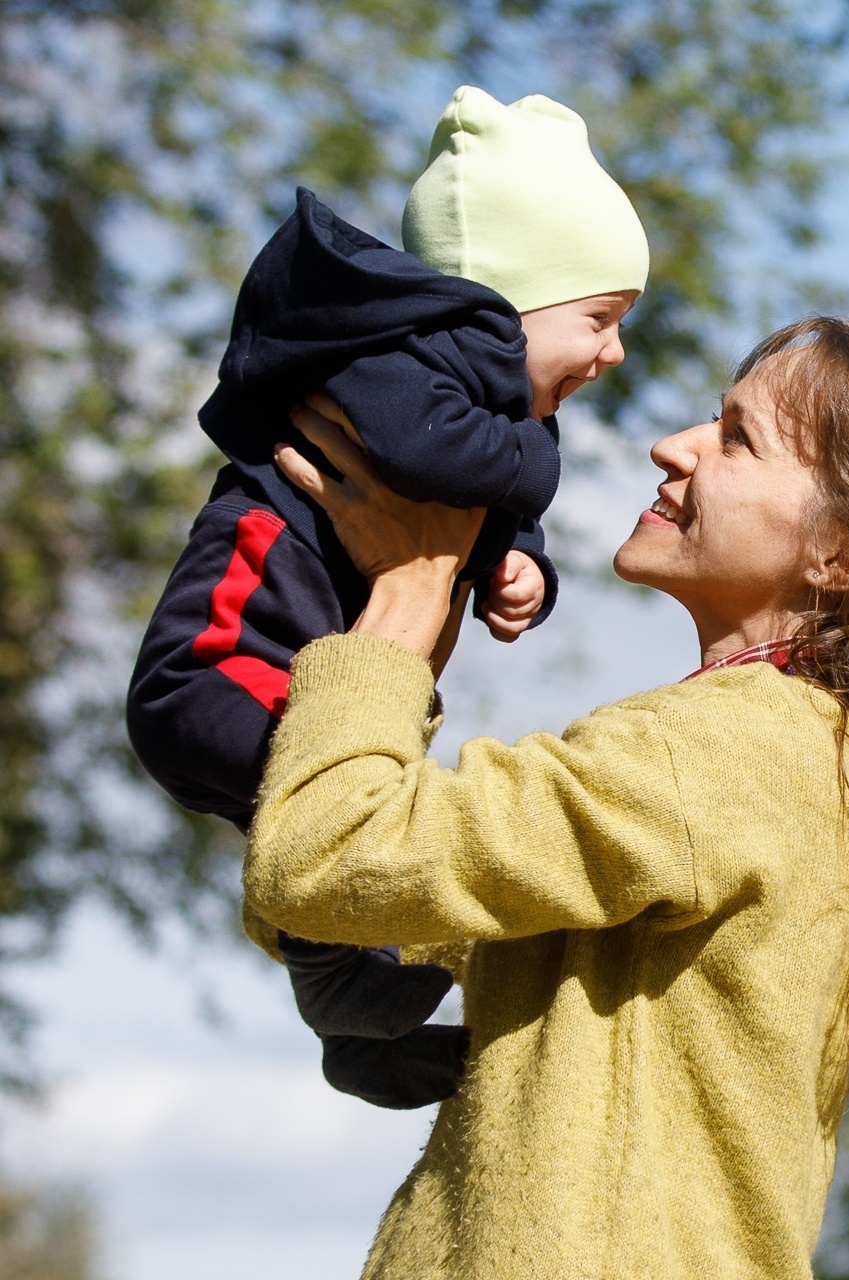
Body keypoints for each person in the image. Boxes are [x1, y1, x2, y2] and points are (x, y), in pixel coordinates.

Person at [244, 317, 849, 1279]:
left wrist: (407, 596)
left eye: (739, 437)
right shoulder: (799, 757)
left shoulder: (729, 752)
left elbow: (321, 858)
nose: (675, 445)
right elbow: (372, 910)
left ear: (840, 553)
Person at [126, 85, 649, 1110]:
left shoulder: (478, 397)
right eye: (598, 317)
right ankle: (347, 985)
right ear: (507, 299)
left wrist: (521, 571)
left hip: (280, 670)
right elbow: (427, 455)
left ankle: (348, 1015)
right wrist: (535, 474)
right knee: (359, 811)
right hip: (217, 664)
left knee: (344, 831)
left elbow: (472, 503)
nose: (613, 353)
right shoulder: (398, 353)